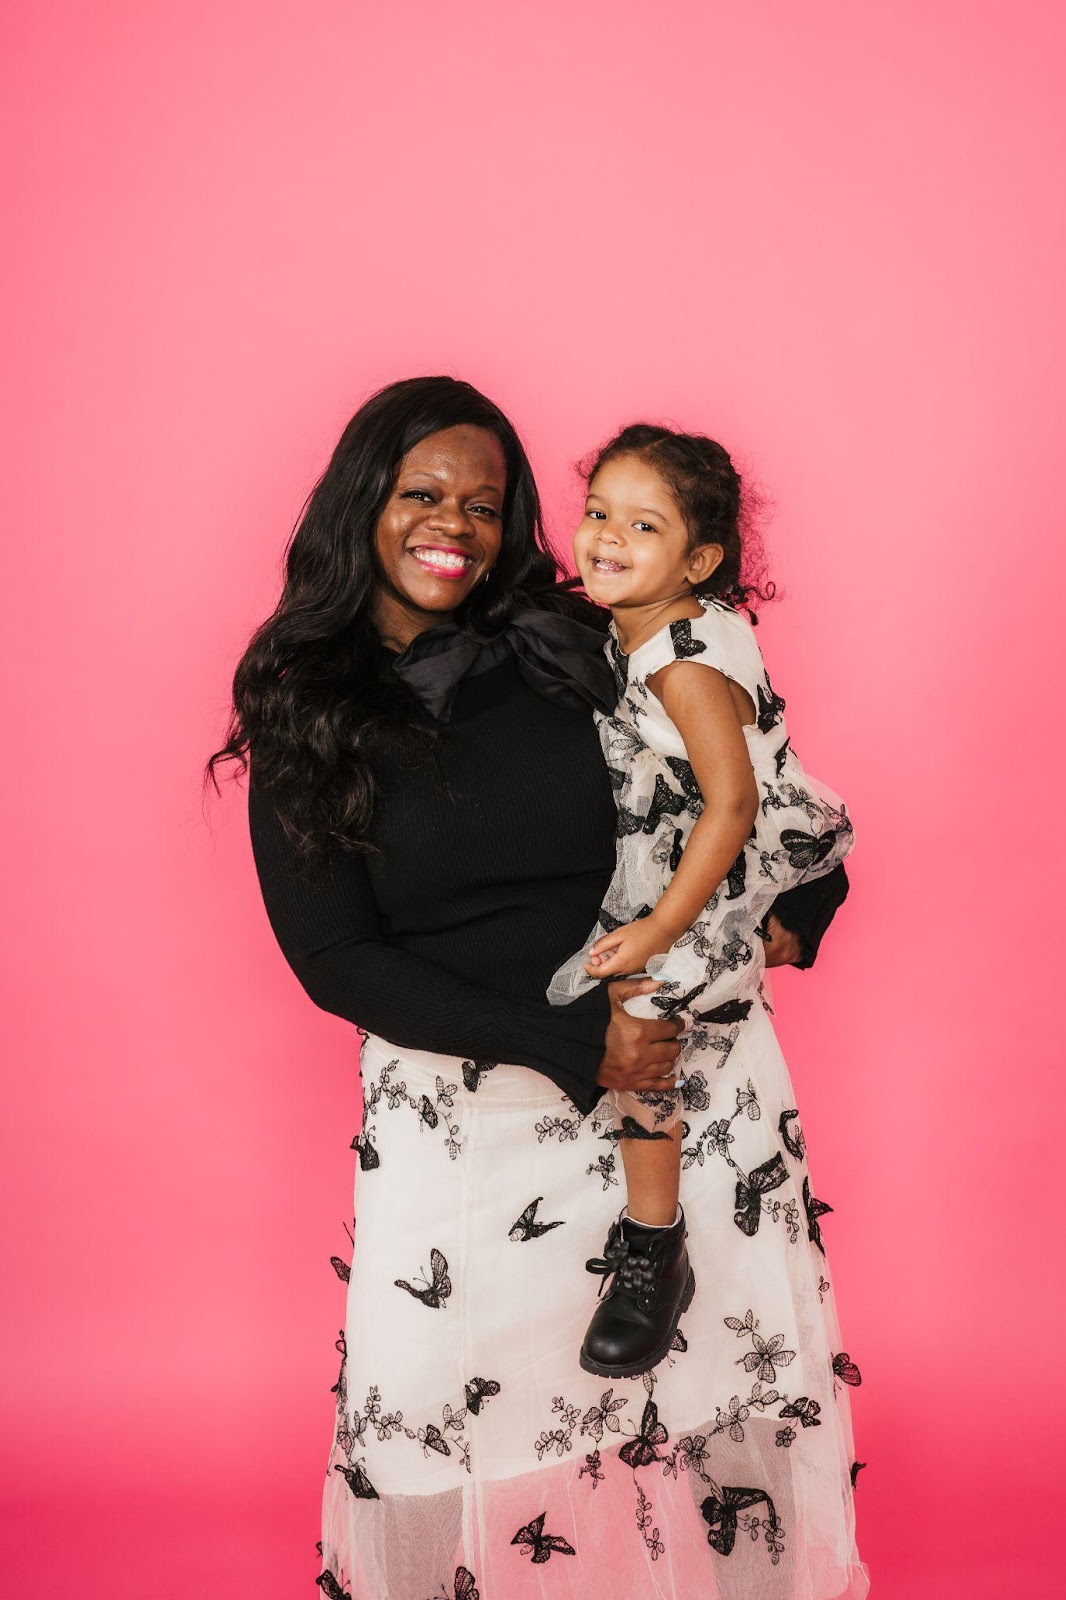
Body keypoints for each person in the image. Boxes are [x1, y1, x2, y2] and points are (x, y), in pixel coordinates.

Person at [209, 377, 866, 1599]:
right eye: (420, 493)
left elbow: (742, 776)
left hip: (680, 1088)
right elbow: (333, 956)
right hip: (470, 1107)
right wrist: (569, 1046)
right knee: (427, 1416)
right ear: (362, 502)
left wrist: (800, 906)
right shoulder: (306, 700)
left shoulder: (574, 638)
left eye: (483, 502)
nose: (451, 524)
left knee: (711, 1413)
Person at [547, 425, 854, 1387]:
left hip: (738, 843)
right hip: (686, 827)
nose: (608, 536)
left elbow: (732, 804)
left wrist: (660, 926)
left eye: (644, 525)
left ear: (700, 561)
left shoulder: (683, 660)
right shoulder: (634, 619)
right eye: (598, 511)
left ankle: (655, 1244)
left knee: (642, 1005)